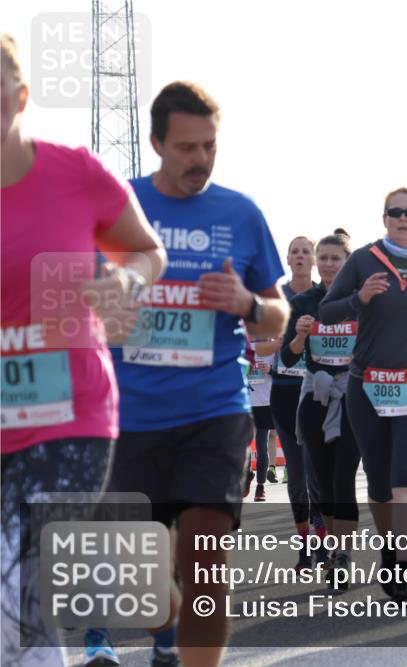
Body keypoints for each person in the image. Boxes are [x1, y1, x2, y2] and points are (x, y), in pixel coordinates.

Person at [106, 81, 288, 667]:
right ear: (156, 143)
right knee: (139, 576)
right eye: (186, 147)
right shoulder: (116, 206)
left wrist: (247, 304)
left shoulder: (240, 213)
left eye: (209, 146)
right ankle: (167, 625)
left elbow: (278, 314)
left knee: (205, 557)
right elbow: (69, 298)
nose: (200, 160)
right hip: (129, 414)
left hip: (214, 408)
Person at [1, 34, 167, 667]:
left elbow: (147, 252)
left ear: (21, 97)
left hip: (68, 418)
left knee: (17, 584)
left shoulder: (74, 173)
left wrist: (125, 281)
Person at [319, 187, 407, 607]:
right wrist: (359, 298)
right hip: (367, 383)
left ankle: (401, 570)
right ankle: (389, 551)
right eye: (395, 212)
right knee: (379, 483)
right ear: (384, 219)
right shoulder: (364, 259)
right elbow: (327, 312)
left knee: (406, 476)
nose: (402, 218)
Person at [280, 231, 362, 588]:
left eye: (335, 258)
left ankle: (343, 556)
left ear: (347, 263)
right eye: (323, 258)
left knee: (344, 480)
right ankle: (332, 547)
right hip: (315, 395)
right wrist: (300, 336)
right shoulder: (304, 302)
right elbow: (287, 357)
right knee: (323, 485)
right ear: (316, 262)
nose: (328, 264)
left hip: (353, 397)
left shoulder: (361, 301)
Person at [272, 236, 325, 570]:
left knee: (316, 472)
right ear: (288, 259)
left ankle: (321, 543)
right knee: (295, 475)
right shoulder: (276, 297)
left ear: (314, 260)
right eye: (295, 251)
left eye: (307, 251)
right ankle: (305, 547)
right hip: (284, 389)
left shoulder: (326, 297)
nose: (301, 256)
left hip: (317, 390)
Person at [246, 337, 279, 501]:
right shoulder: (244, 342)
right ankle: (247, 474)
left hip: (265, 402)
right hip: (245, 401)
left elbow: (285, 371)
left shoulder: (274, 346)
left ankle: (260, 487)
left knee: (261, 445)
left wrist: (271, 369)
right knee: (243, 443)